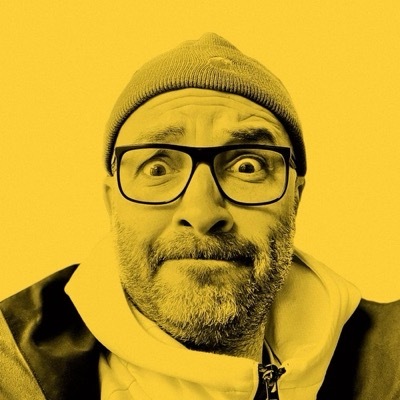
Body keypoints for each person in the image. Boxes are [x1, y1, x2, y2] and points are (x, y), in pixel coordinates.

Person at [0, 33, 398, 400]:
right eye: (157, 168)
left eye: (247, 167)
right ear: (112, 202)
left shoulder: (390, 365)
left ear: (295, 197)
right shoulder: (11, 373)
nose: (202, 213)